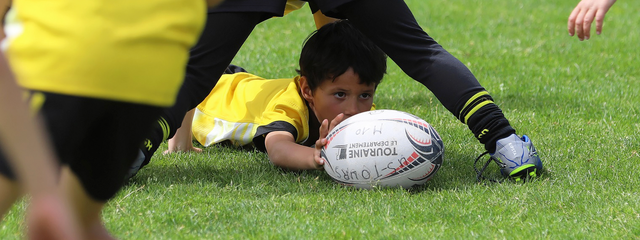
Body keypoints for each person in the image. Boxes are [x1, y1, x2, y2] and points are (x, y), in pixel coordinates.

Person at [137, 0, 543, 183]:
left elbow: (333, 42)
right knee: (420, 52)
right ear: (305, 89)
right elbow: (332, 33)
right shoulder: (289, 105)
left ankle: (133, 148)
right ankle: (507, 143)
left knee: (193, 71)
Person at [0, 0, 222, 238]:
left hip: (59, 54)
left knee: (60, 216)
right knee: (79, 220)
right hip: (151, 72)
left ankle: (48, 199)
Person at [130, 20, 385, 175]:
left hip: (240, 83)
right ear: (307, 91)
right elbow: (278, 149)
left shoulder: (361, 110)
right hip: (212, 98)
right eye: (340, 94)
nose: (354, 108)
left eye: (365, 94)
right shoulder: (291, 106)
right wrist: (316, 157)